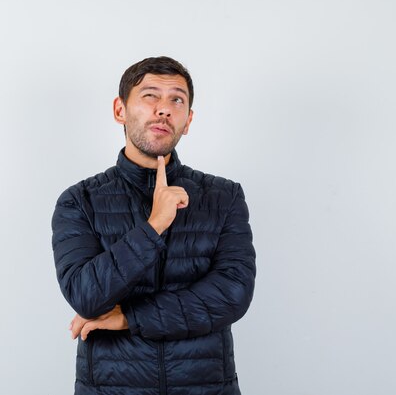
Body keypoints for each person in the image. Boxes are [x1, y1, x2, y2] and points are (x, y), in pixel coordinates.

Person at [51, 56, 256, 395]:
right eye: (150, 96)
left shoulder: (223, 196)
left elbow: (232, 294)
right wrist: (154, 226)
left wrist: (130, 317)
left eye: (177, 99)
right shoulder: (79, 201)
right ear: (120, 110)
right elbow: (85, 295)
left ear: (188, 120)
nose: (164, 109)